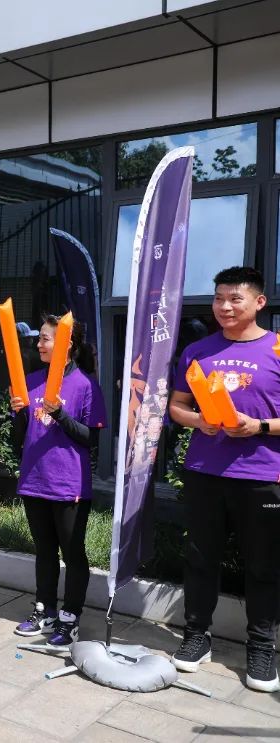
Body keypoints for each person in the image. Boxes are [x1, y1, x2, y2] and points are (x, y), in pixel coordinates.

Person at [168, 266, 280, 693]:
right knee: (200, 559)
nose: (225, 306)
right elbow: (176, 406)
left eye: (235, 298)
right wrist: (199, 419)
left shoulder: (278, 348)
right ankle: (197, 635)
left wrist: (261, 427)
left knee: (264, 565)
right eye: (218, 298)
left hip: (263, 476)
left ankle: (262, 645)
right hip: (205, 474)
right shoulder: (198, 350)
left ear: (258, 302)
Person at [9, 314, 106, 648]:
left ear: (68, 344)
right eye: (39, 338)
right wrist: (20, 412)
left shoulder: (85, 385)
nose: (39, 343)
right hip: (34, 479)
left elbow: (90, 439)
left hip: (69, 484)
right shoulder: (31, 380)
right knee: (44, 550)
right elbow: (19, 438)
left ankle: (70, 617)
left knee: (72, 552)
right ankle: (45, 609)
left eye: (46, 338)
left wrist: (60, 413)